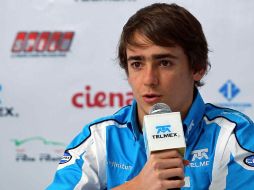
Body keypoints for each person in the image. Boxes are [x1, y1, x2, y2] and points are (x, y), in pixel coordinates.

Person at [47, 3, 254, 190]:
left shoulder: (233, 135)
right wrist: (136, 187)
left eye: (164, 63)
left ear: (197, 68)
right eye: (137, 64)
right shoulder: (101, 138)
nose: (149, 79)